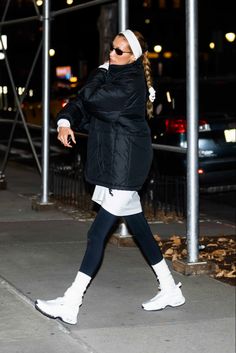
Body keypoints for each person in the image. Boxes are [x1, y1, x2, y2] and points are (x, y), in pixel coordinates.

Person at [35, 29, 185, 325]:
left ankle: (71, 302)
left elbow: (90, 97)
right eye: (111, 49)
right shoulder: (114, 76)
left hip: (126, 166)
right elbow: (82, 104)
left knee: (96, 234)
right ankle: (170, 289)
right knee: (140, 229)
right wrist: (65, 121)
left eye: (119, 51)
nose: (111, 55)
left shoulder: (131, 82)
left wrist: (100, 72)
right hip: (115, 163)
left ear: (133, 57)